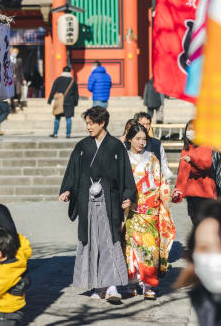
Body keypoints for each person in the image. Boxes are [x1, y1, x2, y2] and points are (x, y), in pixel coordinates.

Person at [59, 106, 136, 302]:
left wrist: (128, 194)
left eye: (91, 123)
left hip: (109, 202)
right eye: (87, 123)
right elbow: (73, 172)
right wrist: (68, 190)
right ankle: (96, 285)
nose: (88, 127)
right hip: (87, 202)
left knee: (109, 242)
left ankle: (111, 286)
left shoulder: (116, 147)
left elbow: (125, 174)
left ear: (102, 123)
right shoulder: (82, 147)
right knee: (91, 243)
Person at [124, 123, 176, 299]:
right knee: (130, 248)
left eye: (144, 139)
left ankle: (148, 285)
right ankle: (131, 282)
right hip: (129, 210)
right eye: (138, 138)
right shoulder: (123, 158)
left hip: (148, 209)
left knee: (149, 247)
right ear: (129, 138)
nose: (141, 142)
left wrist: (159, 198)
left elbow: (160, 183)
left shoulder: (152, 158)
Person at [172, 120, 221, 223]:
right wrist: (178, 191)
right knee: (196, 224)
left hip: (205, 194)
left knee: (205, 225)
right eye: (188, 129)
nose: (190, 132)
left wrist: (193, 160)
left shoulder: (206, 146)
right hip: (191, 194)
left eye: (193, 130)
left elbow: (206, 165)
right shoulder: (186, 149)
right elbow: (182, 174)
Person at [133, 112, 173, 180]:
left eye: (148, 124)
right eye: (143, 124)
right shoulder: (128, 144)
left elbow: (164, 164)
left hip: (153, 185)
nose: (145, 127)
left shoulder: (157, 144)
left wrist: (166, 182)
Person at [47, 66, 79, 138]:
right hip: (70, 102)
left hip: (59, 101)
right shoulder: (73, 81)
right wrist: (76, 102)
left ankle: (55, 133)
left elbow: (53, 90)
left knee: (57, 117)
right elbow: (76, 93)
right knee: (68, 118)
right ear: (70, 72)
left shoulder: (58, 79)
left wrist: (50, 100)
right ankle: (68, 134)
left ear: (63, 71)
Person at [10, 47, 27, 112]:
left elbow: (21, 71)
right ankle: (12, 106)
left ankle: (19, 103)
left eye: (16, 52)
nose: (15, 53)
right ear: (11, 52)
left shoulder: (19, 60)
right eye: (14, 52)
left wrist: (23, 79)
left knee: (18, 92)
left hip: (17, 79)